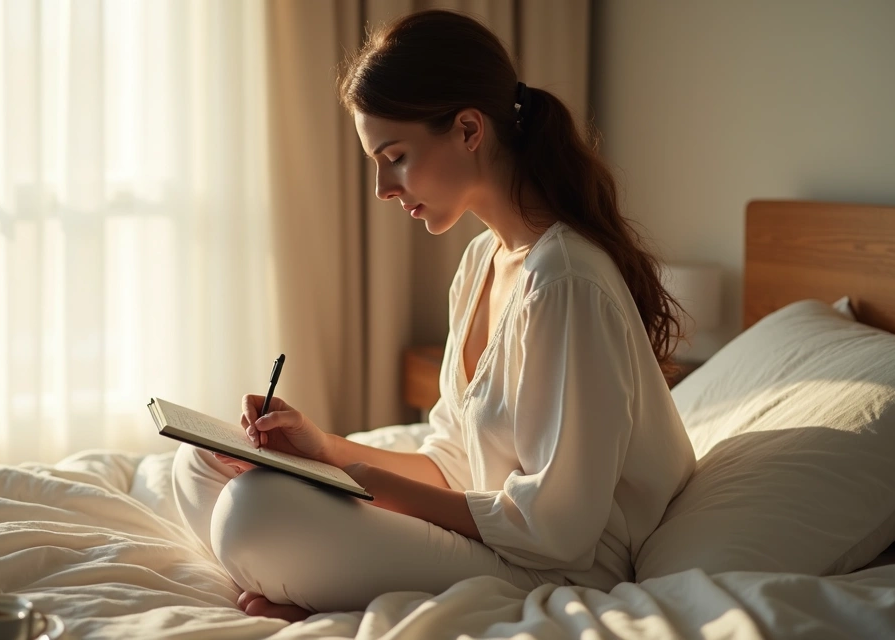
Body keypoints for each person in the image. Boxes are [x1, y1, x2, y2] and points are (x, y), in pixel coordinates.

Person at [172, 9, 696, 623]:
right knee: (201, 462)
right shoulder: (481, 263)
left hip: (555, 566)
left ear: (469, 129)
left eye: (394, 156)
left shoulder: (566, 283)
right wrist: (321, 449)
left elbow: (557, 529)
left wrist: (365, 480)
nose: (382, 189)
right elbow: (452, 462)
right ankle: (304, 582)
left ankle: (302, 582)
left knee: (251, 513)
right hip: (490, 532)